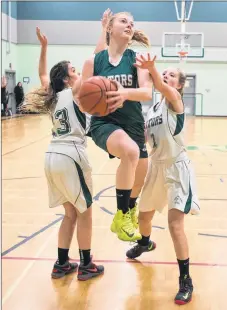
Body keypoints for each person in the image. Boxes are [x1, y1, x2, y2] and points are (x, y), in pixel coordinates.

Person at [23, 10, 112, 280]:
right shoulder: (75, 91)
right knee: (85, 212)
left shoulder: (52, 95)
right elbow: (95, 60)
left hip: (51, 155)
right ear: (66, 79)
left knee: (70, 213)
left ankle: (62, 263)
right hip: (71, 154)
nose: (77, 72)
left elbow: (41, 73)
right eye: (73, 71)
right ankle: (86, 264)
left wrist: (44, 47)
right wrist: (104, 30)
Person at [126, 53, 200, 305]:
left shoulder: (175, 100)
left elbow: (157, 84)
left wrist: (152, 69)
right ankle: (145, 243)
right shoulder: (154, 109)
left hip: (177, 168)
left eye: (171, 75)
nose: (166, 76)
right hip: (157, 168)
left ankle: (186, 280)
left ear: (178, 85)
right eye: (164, 73)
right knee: (144, 217)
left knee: (174, 225)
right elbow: (144, 139)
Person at [82, 12, 153, 242]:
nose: (130, 24)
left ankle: (128, 210)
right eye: (124, 21)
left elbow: (147, 92)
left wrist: (124, 93)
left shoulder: (137, 59)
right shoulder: (94, 62)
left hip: (133, 123)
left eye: (132, 22)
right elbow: (83, 96)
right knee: (130, 151)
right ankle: (122, 215)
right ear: (110, 29)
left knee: (139, 179)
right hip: (105, 122)